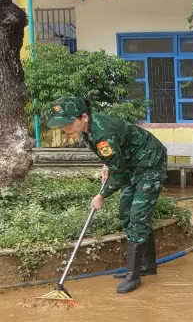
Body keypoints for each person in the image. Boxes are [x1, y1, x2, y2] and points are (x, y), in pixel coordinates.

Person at [46, 96, 167, 294]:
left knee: (138, 217)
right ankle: (146, 266)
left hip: (149, 164)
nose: (65, 127)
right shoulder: (87, 130)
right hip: (131, 164)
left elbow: (118, 171)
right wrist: (107, 163)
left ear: (84, 116)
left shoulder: (101, 132)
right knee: (126, 213)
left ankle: (133, 276)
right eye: (63, 124)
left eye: (69, 122)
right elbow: (115, 154)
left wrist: (101, 195)